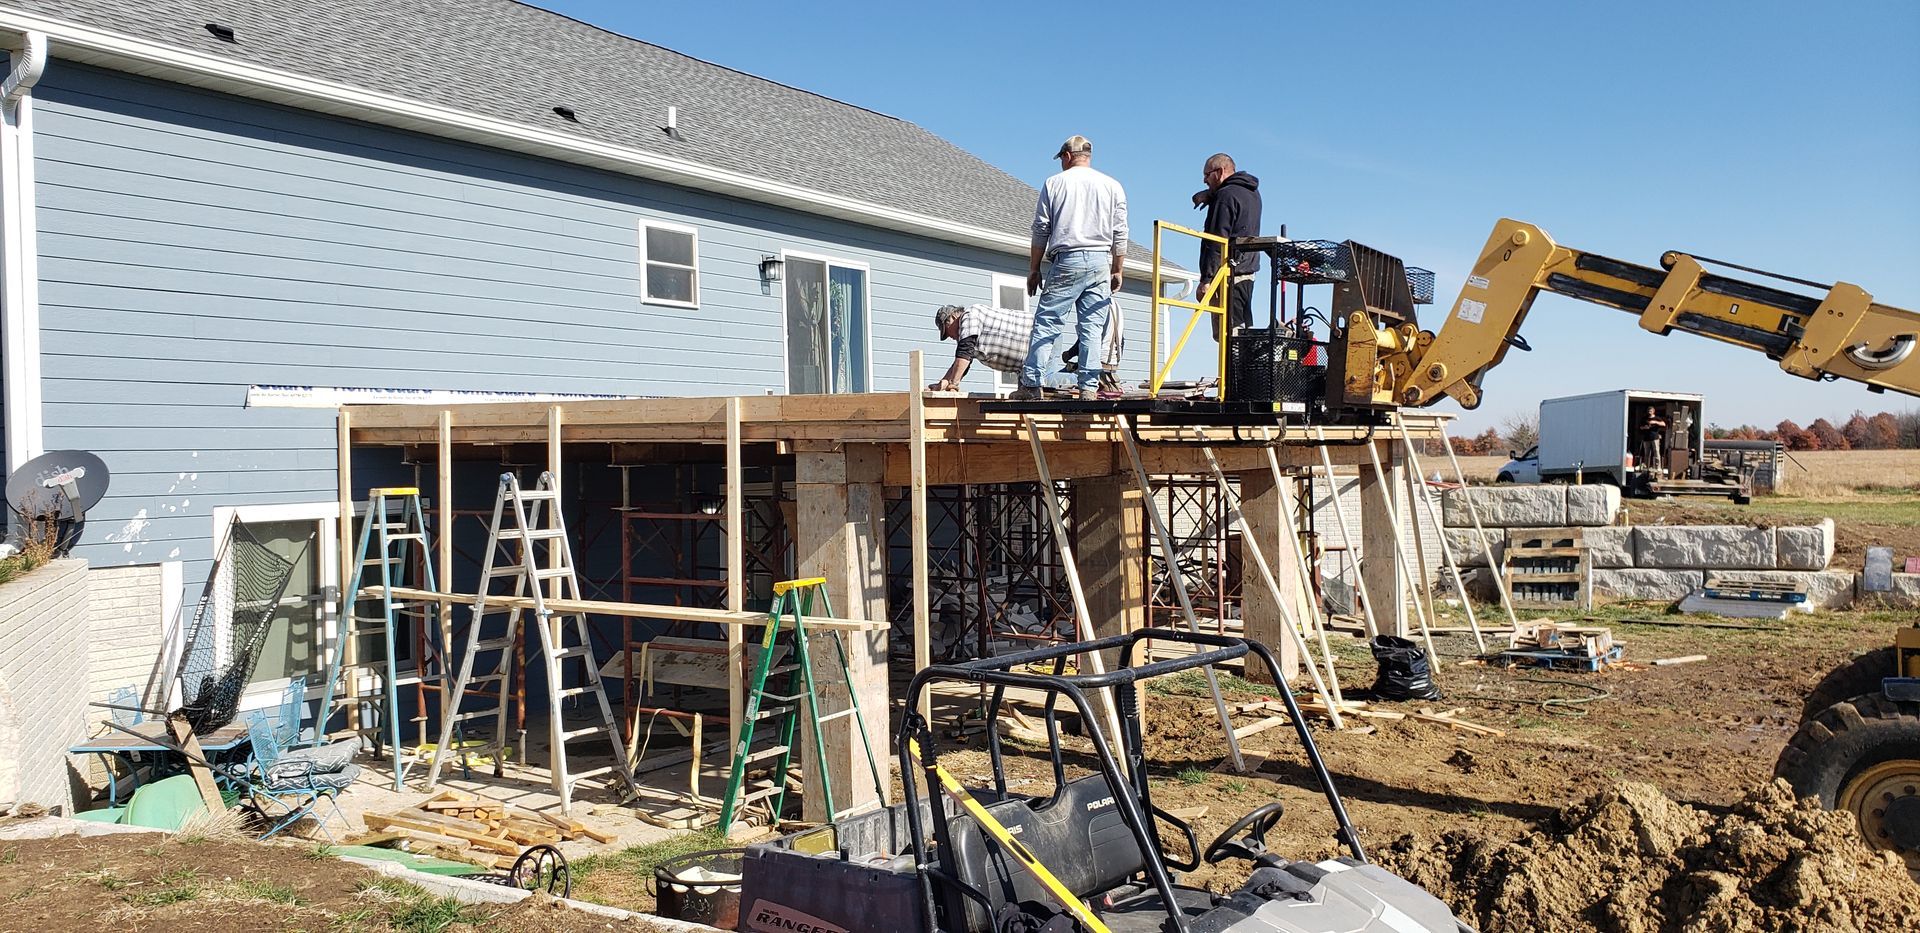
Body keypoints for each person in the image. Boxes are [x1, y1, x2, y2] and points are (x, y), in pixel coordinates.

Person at [1018, 135, 1128, 401]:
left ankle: (1032, 384)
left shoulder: (1055, 183)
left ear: (1067, 156)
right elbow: (1120, 232)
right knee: (1092, 327)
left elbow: (1041, 228)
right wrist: (1117, 269)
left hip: (1068, 259)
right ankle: (1088, 388)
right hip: (1100, 261)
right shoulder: (1112, 186)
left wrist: (1034, 268)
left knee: (1048, 323)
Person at [1191, 153, 1262, 337]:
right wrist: (1210, 195)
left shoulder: (1225, 196)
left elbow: (1216, 240)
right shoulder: (1252, 193)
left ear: (1220, 171)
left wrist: (1206, 280)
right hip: (1246, 271)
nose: (1204, 180)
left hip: (1227, 273)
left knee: (1227, 335)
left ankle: (1233, 358)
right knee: (1238, 331)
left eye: (1207, 175)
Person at [928, 303, 1029, 391]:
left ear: (953, 317)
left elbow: (964, 353)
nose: (950, 336)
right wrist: (943, 383)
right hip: (1027, 367)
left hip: (1032, 338)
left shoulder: (969, 316)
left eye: (947, 331)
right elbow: (962, 362)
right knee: (1026, 399)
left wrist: (953, 384)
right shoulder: (971, 335)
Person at [1637, 405, 1669, 472]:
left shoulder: (1657, 418)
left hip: (1655, 437)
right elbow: (1640, 427)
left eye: (1651, 411)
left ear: (1653, 411)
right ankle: (1646, 466)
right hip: (1646, 438)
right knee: (1646, 453)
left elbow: (1664, 424)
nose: (1649, 412)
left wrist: (1655, 422)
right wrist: (1644, 427)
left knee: (1656, 452)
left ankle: (1658, 467)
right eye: (1648, 411)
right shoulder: (1644, 418)